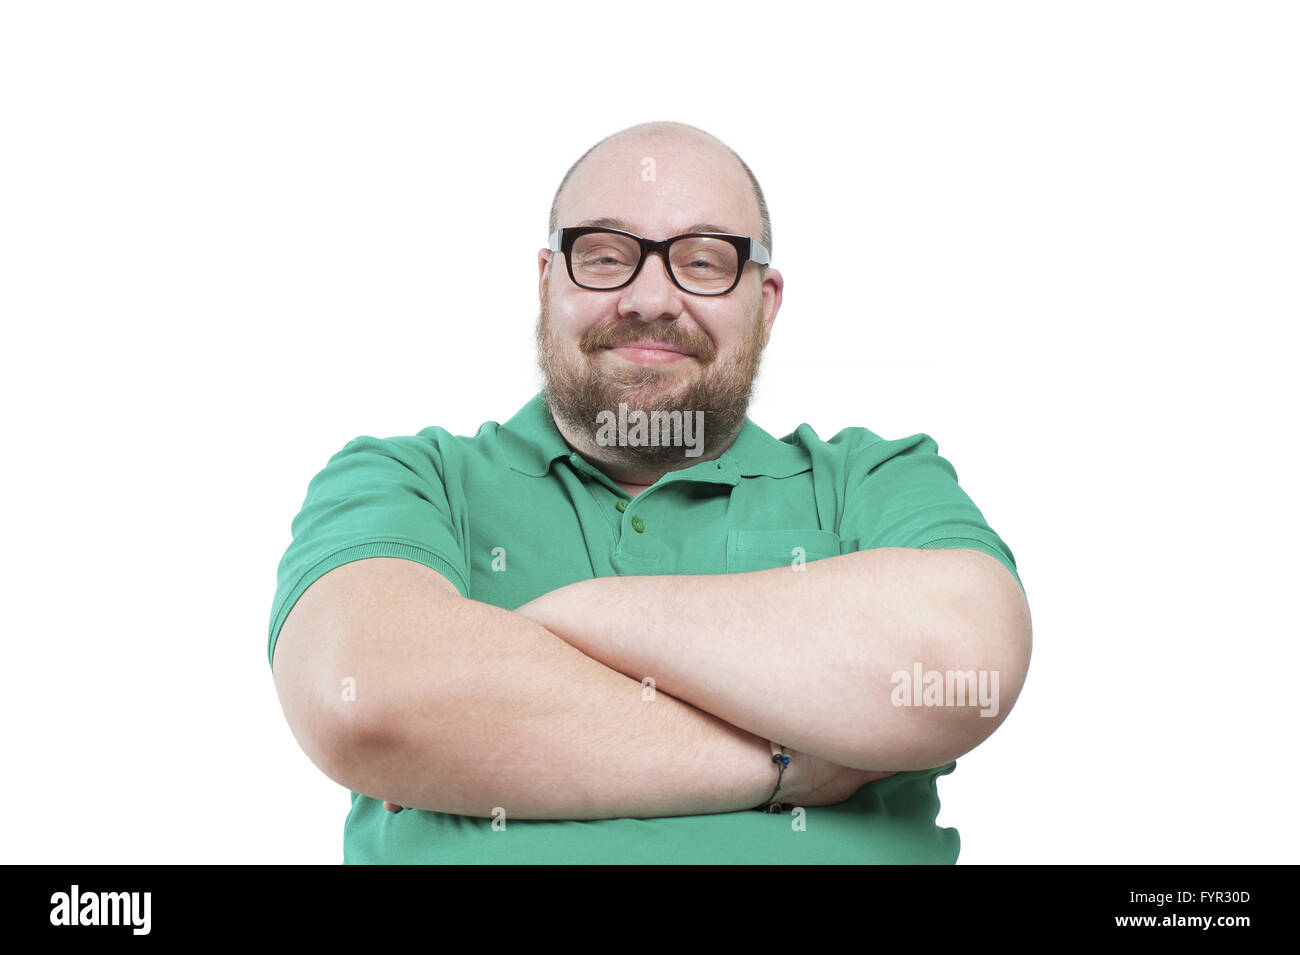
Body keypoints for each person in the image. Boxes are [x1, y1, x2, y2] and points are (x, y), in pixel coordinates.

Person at [267, 120, 1032, 864]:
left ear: (764, 303)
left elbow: (968, 666)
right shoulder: (409, 480)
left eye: (703, 262)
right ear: (548, 282)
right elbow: (367, 697)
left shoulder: (869, 480)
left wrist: (558, 624)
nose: (650, 298)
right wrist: (788, 763)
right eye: (604, 256)